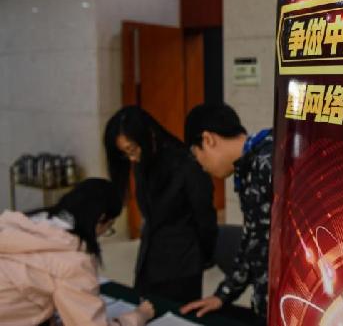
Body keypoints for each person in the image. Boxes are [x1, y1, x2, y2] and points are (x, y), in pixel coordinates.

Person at [0, 178, 155, 326]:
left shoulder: (23, 222)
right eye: (109, 227)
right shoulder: (73, 261)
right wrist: (138, 316)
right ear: (100, 219)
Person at [104, 106, 217, 304]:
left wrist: (202, 256)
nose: (132, 158)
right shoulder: (142, 162)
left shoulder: (187, 165)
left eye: (132, 149)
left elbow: (206, 220)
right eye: (125, 153)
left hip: (181, 265)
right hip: (149, 260)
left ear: (149, 135)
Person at [180, 103, 273, 322]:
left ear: (208, 140)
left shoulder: (271, 161)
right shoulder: (248, 167)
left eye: (196, 155)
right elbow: (255, 240)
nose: (202, 166)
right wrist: (223, 295)